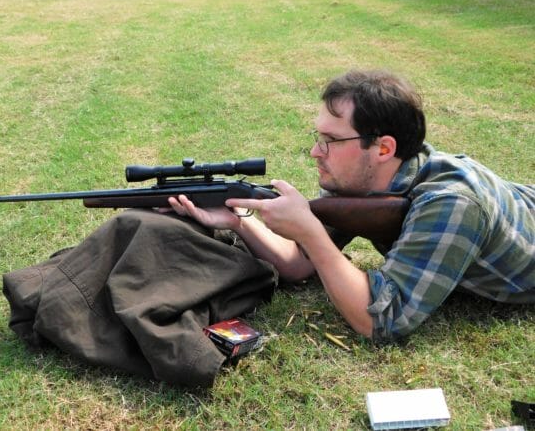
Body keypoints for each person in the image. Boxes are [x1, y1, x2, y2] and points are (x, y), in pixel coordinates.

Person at [167, 69, 535, 343]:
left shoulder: (451, 203)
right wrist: (239, 222)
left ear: (383, 148)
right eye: (318, 137)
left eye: (331, 140)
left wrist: (310, 230)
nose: (315, 152)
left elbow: (382, 321)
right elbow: (298, 263)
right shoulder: (364, 181)